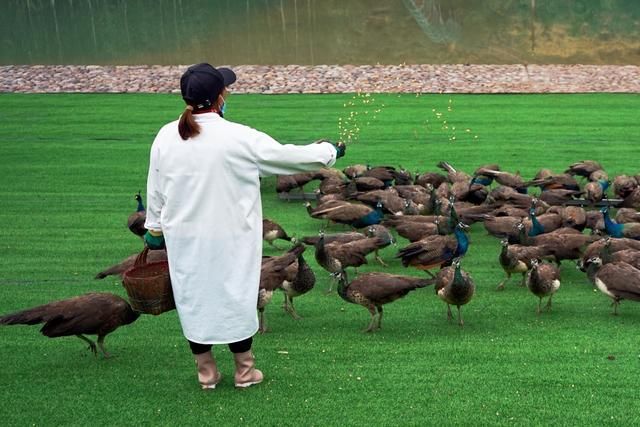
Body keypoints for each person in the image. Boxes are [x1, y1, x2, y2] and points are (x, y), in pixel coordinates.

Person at [143, 63, 345, 390]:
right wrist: (329, 151)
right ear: (220, 96)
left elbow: (155, 188)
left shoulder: (166, 135)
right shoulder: (239, 137)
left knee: (194, 298)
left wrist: (153, 228)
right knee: (235, 297)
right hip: (231, 238)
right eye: (227, 87)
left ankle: (206, 373)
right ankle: (244, 372)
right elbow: (289, 157)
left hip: (185, 239)